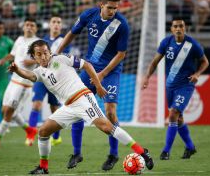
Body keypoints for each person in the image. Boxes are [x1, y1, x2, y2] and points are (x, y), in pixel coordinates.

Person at [8, 39, 154, 174]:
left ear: (50, 52)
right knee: (44, 131)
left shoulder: (61, 59)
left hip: (83, 98)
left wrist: (98, 84)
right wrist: (17, 70)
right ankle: (43, 167)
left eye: (45, 52)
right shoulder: (39, 72)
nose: (44, 56)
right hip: (68, 107)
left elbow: (87, 65)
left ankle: (142, 153)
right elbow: (29, 75)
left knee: (106, 127)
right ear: (34, 57)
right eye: (39, 54)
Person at [57, 0, 129, 170]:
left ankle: (113, 155)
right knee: (77, 107)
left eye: (115, 8)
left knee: (110, 112)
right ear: (101, 6)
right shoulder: (89, 15)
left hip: (110, 72)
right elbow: (72, 33)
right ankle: (77, 153)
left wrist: (103, 74)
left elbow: (121, 54)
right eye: (110, 8)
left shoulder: (122, 24)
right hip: (88, 68)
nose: (113, 11)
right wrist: (57, 52)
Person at [141, 17, 209, 160]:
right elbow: (154, 62)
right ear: (171, 29)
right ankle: (190, 147)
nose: (178, 29)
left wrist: (197, 74)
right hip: (170, 85)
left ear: (185, 28)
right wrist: (147, 77)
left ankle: (166, 151)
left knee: (173, 113)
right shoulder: (166, 42)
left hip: (186, 85)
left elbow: (205, 62)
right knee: (178, 119)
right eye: (175, 26)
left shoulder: (193, 44)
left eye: (181, 26)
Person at [0, 18, 40, 148]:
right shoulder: (19, 40)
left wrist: (31, 61)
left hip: (24, 84)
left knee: (8, 112)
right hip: (13, 81)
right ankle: (30, 130)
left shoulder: (38, 43)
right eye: (27, 25)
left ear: (36, 29)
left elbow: (44, 59)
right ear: (23, 27)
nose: (29, 27)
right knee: (5, 109)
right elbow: (13, 54)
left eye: (32, 25)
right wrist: (4, 59)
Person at [27, 14, 71, 146]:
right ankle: (30, 136)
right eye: (54, 22)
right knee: (36, 104)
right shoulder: (42, 41)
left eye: (59, 22)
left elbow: (60, 60)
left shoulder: (64, 41)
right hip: (42, 78)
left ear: (61, 26)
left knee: (55, 108)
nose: (56, 24)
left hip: (56, 80)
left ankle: (56, 137)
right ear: (50, 24)